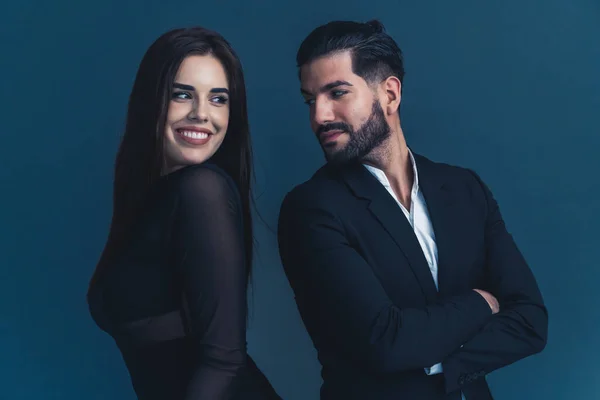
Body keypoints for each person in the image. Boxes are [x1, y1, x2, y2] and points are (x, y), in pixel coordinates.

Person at [277, 20, 548, 400]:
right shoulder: (311, 209)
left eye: (337, 92)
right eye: (310, 100)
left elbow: (530, 320)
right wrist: (481, 302)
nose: (319, 116)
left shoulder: (464, 189)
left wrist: (438, 356)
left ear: (389, 93)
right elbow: (385, 343)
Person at [87, 27, 280, 400]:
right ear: (152, 99)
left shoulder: (202, 190)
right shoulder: (153, 198)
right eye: (182, 95)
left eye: (219, 99)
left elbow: (224, 361)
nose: (201, 114)